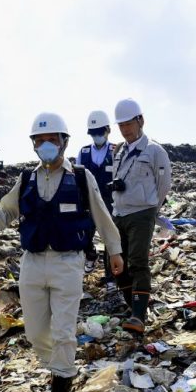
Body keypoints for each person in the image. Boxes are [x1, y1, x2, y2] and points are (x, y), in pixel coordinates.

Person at [0, 112, 124, 392]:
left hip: (68, 262)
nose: (46, 145)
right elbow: (6, 212)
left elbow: (102, 215)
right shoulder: (26, 180)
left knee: (63, 332)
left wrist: (114, 251)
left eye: (52, 140)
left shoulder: (79, 176)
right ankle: (62, 370)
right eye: (40, 140)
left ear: (64, 142)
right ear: (34, 144)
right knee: (36, 333)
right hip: (33, 262)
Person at [110, 98, 172, 334]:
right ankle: (133, 304)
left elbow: (164, 183)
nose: (125, 129)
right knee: (117, 264)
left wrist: (151, 208)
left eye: (129, 124)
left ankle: (139, 315)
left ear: (140, 120)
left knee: (137, 262)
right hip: (119, 212)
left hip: (141, 213)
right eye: (121, 125)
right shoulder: (119, 151)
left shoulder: (154, 150)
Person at [75, 110, 116, 292]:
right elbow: (77, 177)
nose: (97, 136)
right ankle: (90, 254)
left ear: (107, 130)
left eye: (100, 132)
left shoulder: (116, 151)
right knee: (82, 235)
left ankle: (110, 278)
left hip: (109, 201)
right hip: (88, 201)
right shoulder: (83, 153)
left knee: (110, 240)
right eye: (93, 133)